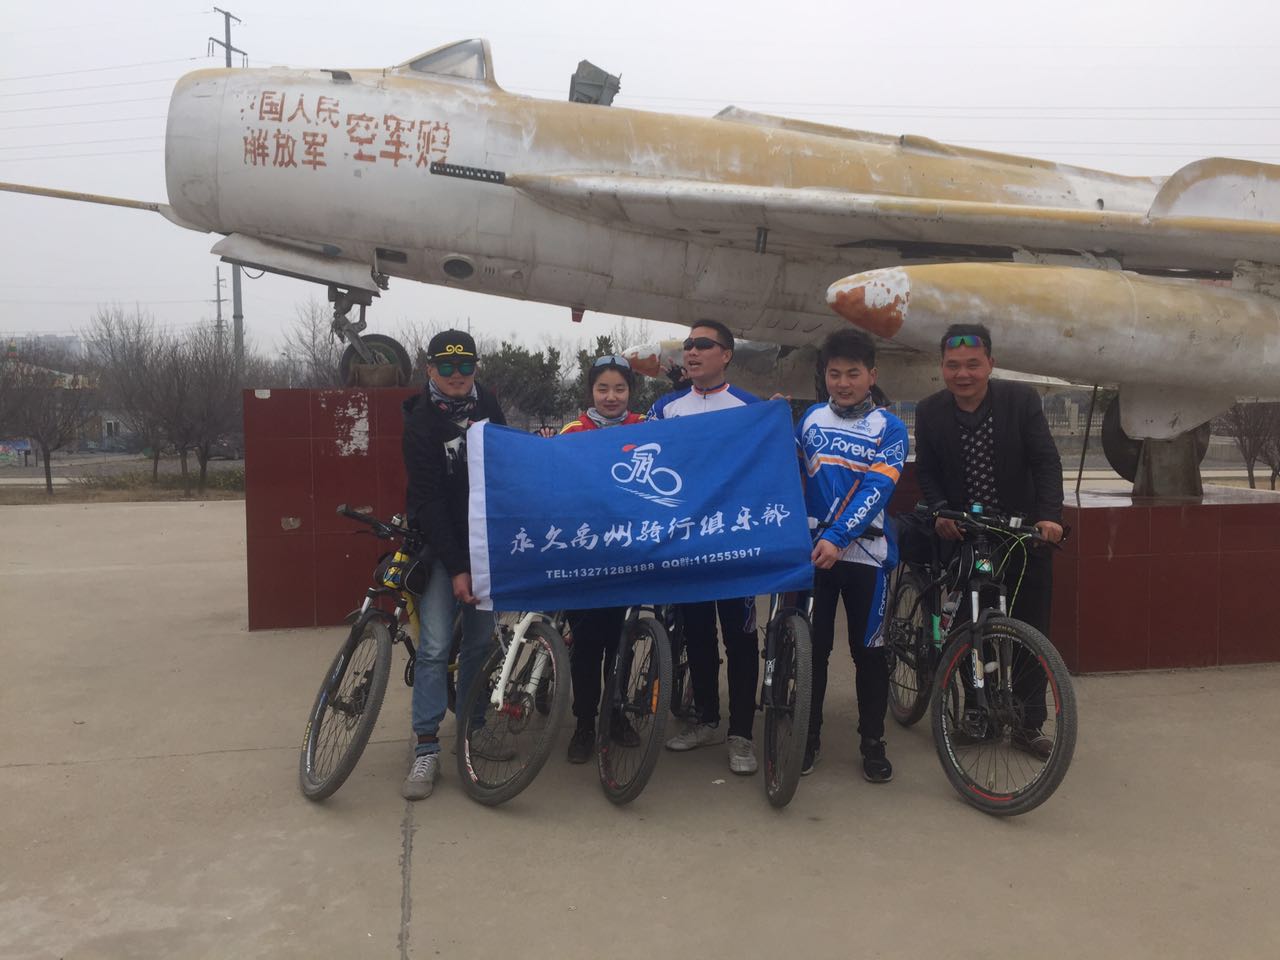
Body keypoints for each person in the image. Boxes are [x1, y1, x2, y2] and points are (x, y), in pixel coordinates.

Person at [913, 323, 1064, 759]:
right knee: (966, 627)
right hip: (963, 533)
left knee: (1030, 628)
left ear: (990, 365)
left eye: (973, 365)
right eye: (953, 365)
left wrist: (1049, 517)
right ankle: (978, 715)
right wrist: (941, 510)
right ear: (942, 367)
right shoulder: (929, 411)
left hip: (1020, 535)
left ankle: (1028, 724)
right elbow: (927, 471)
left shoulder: (1021, 401)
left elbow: (1046, 461)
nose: (963, 374)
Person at [647, 320, 763, 775]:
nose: (691, 352)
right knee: (697, 635)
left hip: (734, 545)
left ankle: (742, 734)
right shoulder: (666, 408)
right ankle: (707, 720)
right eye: (687, 345)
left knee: (741, 639)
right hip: (687, 546)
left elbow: (771, 468)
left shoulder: (751, 408)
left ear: (726, 354)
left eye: (702, 345)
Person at [400, 330, 511, 800]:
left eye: (465, 365)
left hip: (484, 545)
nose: (456, 375)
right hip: (440, 544)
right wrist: (458, 567)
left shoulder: (487, 404)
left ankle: (472, 728)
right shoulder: (419, 421)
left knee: (480, 644)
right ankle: (426, 745)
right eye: (445, 367)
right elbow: (428, 502)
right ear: (429, 369)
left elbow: (505, 467)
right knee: (434, 646)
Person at [796, 329, 908, 782]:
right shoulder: (809, 419)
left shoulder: (890, 427)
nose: (842, 383)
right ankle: (807, 738)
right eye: (834, 374)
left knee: (869, 654)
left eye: (853, 374)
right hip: (814, 555)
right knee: (814, 652)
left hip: (866, 556)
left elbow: (877, 489)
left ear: (871, 375)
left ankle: (872, 743)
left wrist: (839, 536)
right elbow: (784, 471)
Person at [558, 355, 649, 763]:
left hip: (631, 556)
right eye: (602, 389)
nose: (611, 397)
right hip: (584, 559)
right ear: (591, 391)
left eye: (619, 389)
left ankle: (616, 715)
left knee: (622, 641)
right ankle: (584, 723)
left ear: (630, 391)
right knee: (587, 645)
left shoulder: (647, 427)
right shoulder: (573, 431)